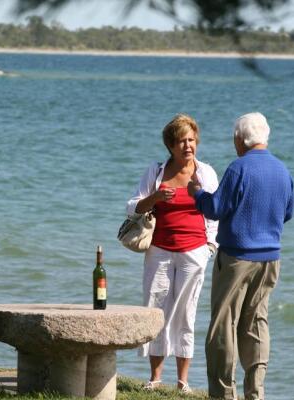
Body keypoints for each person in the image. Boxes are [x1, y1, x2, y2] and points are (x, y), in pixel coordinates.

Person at [187, 112, 294, 400]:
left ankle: (223, 393)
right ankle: (255, 392)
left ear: (240, 138)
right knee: (257, 322)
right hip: (271, 258)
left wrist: (197, 193)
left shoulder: (239, 168)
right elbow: (288, 212)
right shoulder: (283, 170)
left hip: (236, 257)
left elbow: (215, 209)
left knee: (224, 325)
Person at [126, 114, 219, 394]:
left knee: (186, 314)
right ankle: (155, 378)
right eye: (181, 141)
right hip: (159, 251)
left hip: (194, 252)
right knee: (156, 310)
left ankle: (183, 382)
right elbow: (132, 207)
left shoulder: (205, 173)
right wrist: (155, 198)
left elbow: (215, 213)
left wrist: (209, 247)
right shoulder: (156, 172)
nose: (188, 146)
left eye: (191, 140)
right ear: (171, 146)